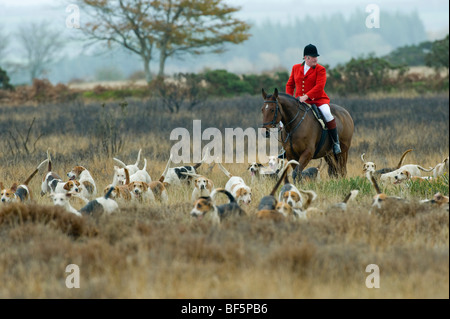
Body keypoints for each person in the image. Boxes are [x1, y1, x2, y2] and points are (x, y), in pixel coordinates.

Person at [285, 44, 341, 154]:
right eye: (313, 57)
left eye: (316, 57)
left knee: (327, 114)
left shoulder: (321, 69)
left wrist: (306, 96)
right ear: (306, 58)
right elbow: (290, 85)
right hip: (299, 101)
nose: (316, 59)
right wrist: (290, 99)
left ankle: (335, 143)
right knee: (286, 119)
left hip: (318, 100)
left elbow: (319, 87)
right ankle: (285, 147)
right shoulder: (296, 68)